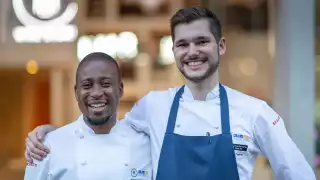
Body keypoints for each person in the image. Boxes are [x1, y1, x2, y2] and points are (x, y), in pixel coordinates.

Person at [25, 6, 315, 180]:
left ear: (221, 46)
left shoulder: (254, 112)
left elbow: (299, 175)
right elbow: (102, 128)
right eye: (183, 44)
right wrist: (48, 133)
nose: (192, 52)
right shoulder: (154, 106)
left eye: (201, 41)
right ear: (174, 50)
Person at [24, 52, 152, 180]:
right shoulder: (47, 146)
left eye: (105, 84)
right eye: (87, 85)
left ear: (120, 89)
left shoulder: (146, 145)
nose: (96, 93)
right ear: (76, 92)